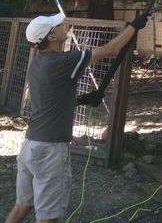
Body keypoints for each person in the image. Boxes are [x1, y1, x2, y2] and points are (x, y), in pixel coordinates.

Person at [5, 11, 148, 223]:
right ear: (51, 37)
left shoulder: (37, 63)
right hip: (50, 151)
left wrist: (82, 100)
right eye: (58, 26)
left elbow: (51, 100)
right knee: (48, 217)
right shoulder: (63, 61)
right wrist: (133, 27)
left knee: (22, 206)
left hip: (30, 147)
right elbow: (111, 49)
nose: (64, 25)